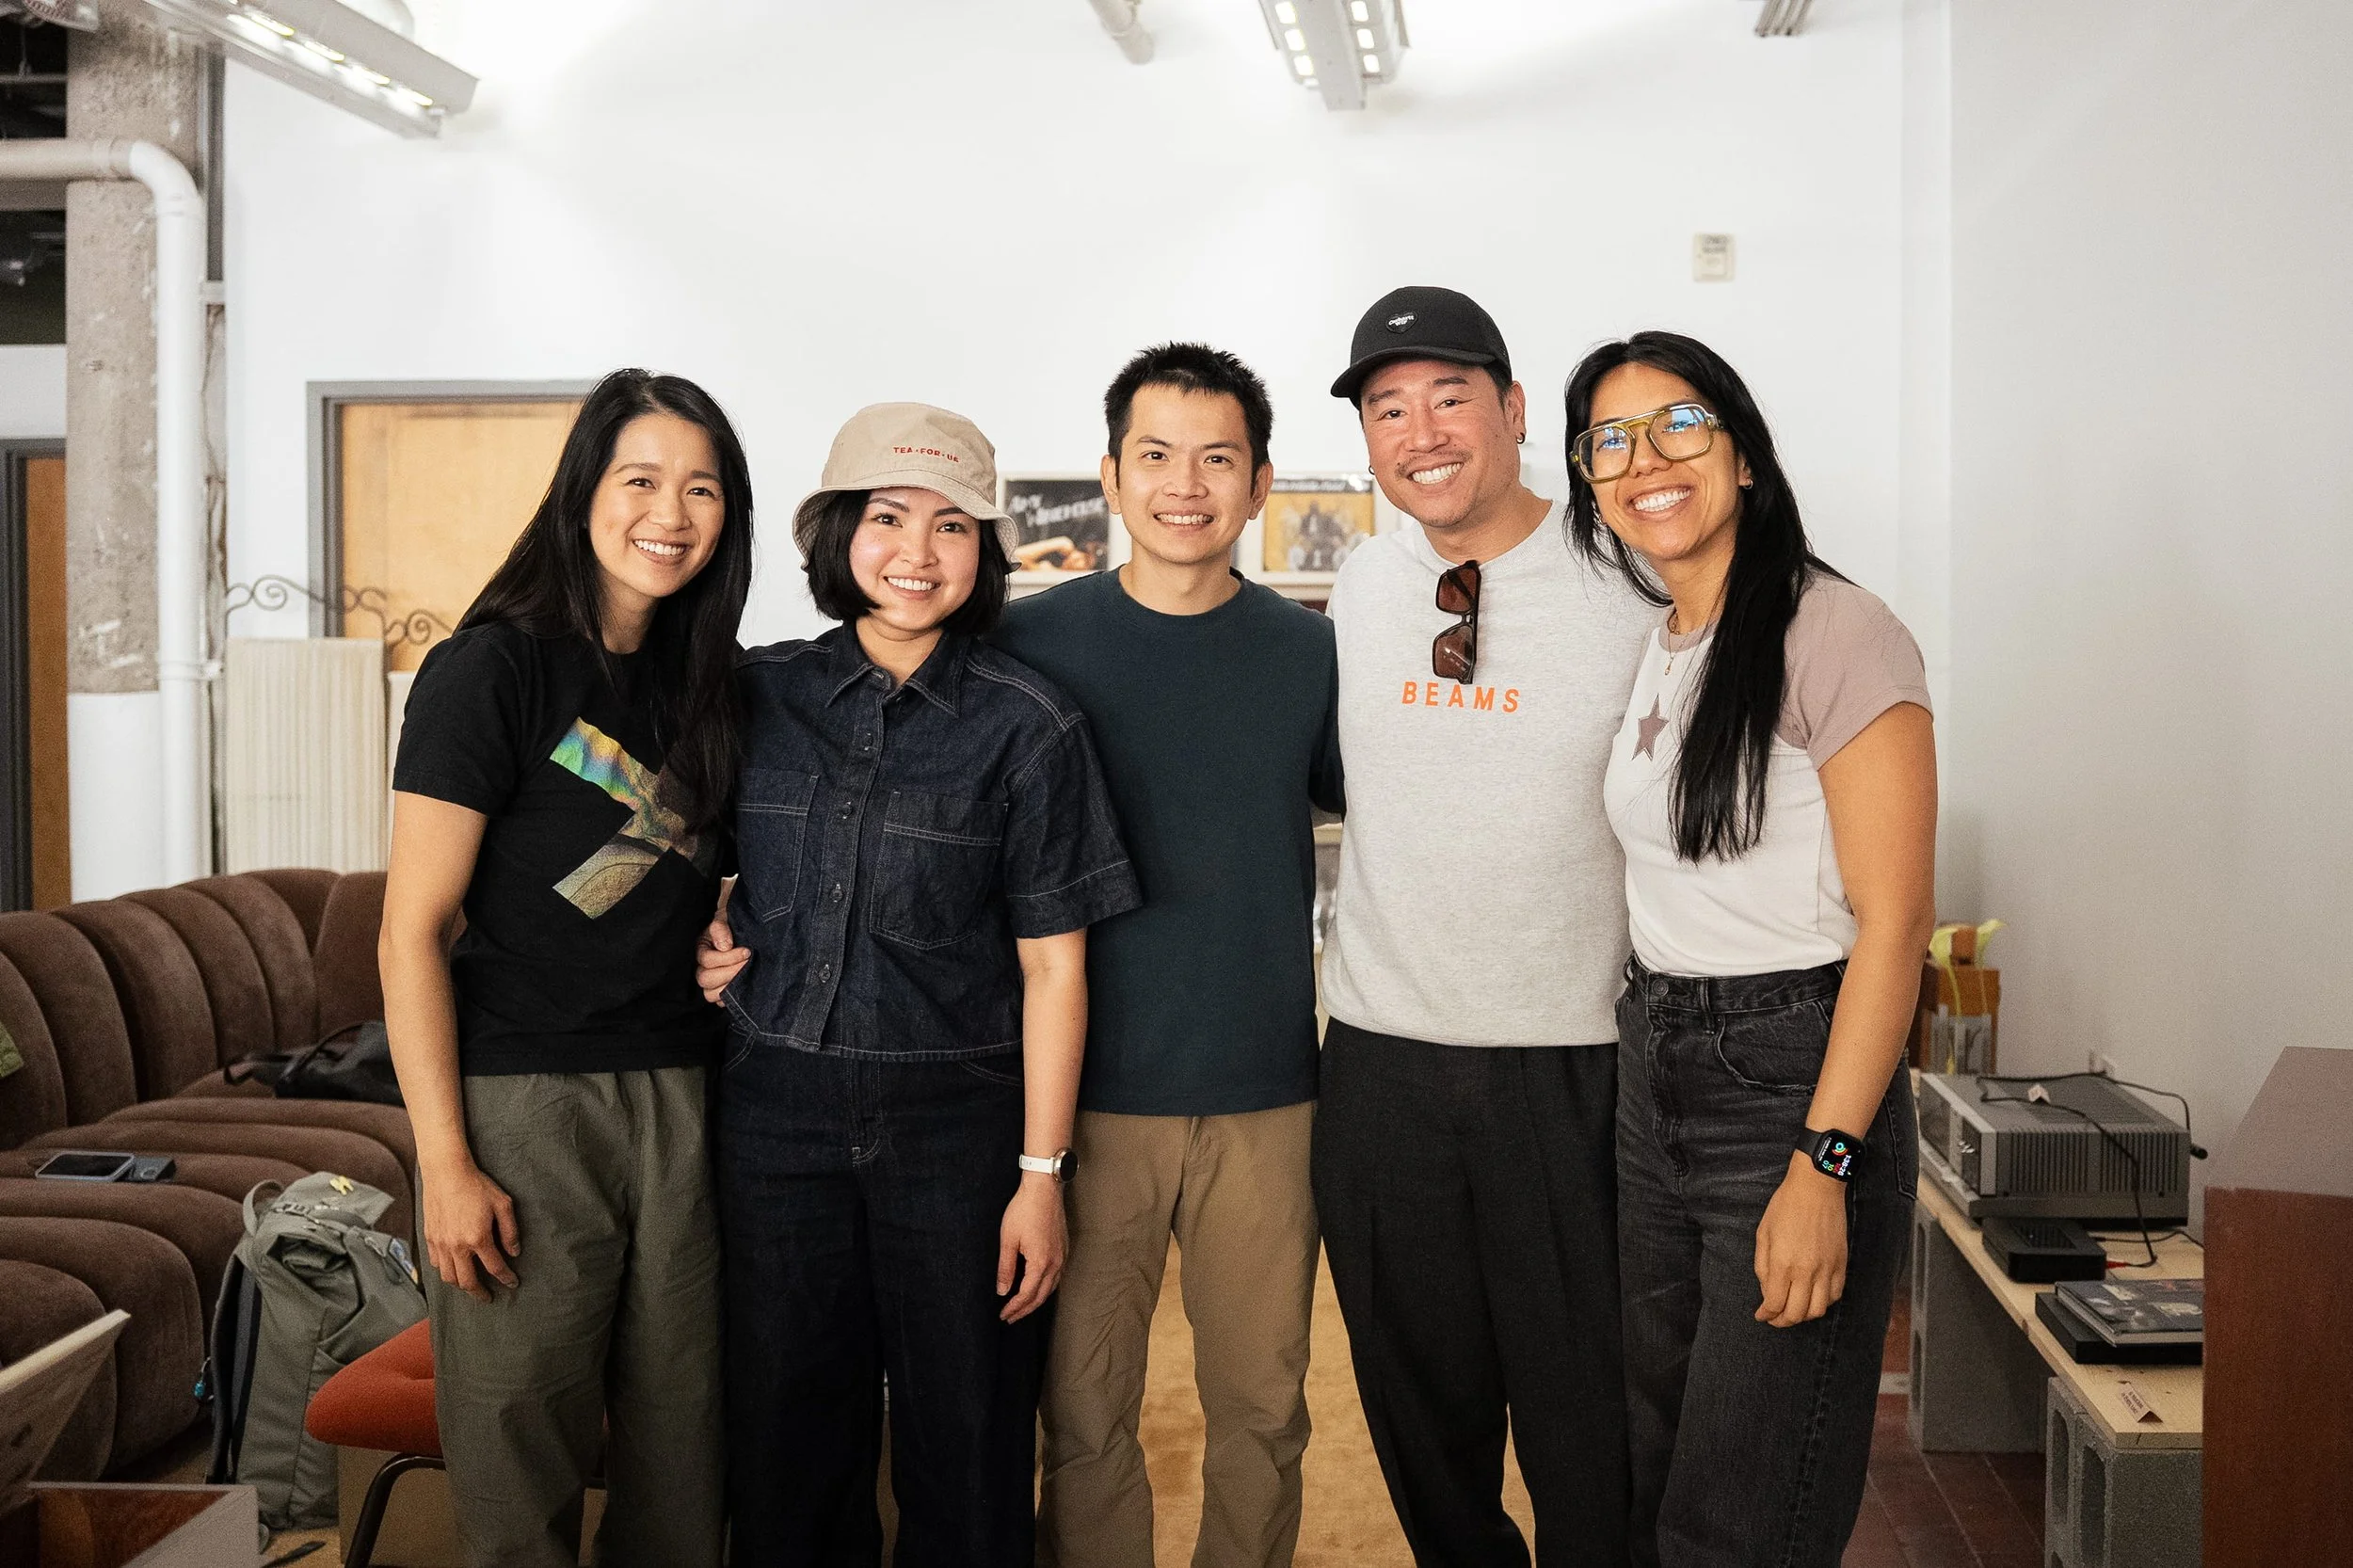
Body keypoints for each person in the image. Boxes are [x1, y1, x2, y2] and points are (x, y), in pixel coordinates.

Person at [696, 403, 1142, 1567]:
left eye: (952, 526)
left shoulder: (1030, 725)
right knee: (786, 1444)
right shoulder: (753, 693)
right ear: (839, 532)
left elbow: (1055, 967)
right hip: (772, 1120)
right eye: (888, 517)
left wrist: (1040, 1177)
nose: (917, 551)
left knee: (970, 1442)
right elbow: (651, 844)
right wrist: (697, 921)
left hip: (958, 1132)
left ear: (984, 551)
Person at [1565, 332, 1934, 1568]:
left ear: (1744, 457)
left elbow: (1896, 924)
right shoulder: (1664, 636)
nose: (1644, 459)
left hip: (1791, 1075)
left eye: (1677, 424)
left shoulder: (1837, 629)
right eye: (1610, 440)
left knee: (1743, 1509)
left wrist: (1823, 1166)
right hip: (1655, 1063)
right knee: (1657, 1464)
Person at [380, 368, 752, 1568]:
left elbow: (694, 872)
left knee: (685, 1450)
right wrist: (444, 1163)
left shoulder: (710, 686)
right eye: (640, 479)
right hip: (525, 1102)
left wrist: (721, 926)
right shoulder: (490, 670)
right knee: (519, 1449)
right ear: (582, 490)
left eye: (702, 488)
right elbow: (411, 930)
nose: (670, 513)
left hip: (686, 1091)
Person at [1313, 286, 1657, 1566]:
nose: (1421, 432)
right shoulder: (1359, 581)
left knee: (1591, 1433)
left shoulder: (1629, 577)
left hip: (1573, 1064)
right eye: (1387, 408)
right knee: (1421, 1426)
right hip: (1381, 1065)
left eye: (1449, 397)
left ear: (1513, 409)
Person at [995, 344, 1344, 1568]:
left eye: (1216, 459)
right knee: (1084, 1411)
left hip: (1266, 1091)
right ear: (1109, 476)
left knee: (1265, 1409)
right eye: (1155, 455)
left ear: (1259, 483)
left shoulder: (1311, 653)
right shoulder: (1023, 642)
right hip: (1081, 1096)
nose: (1184, 485)